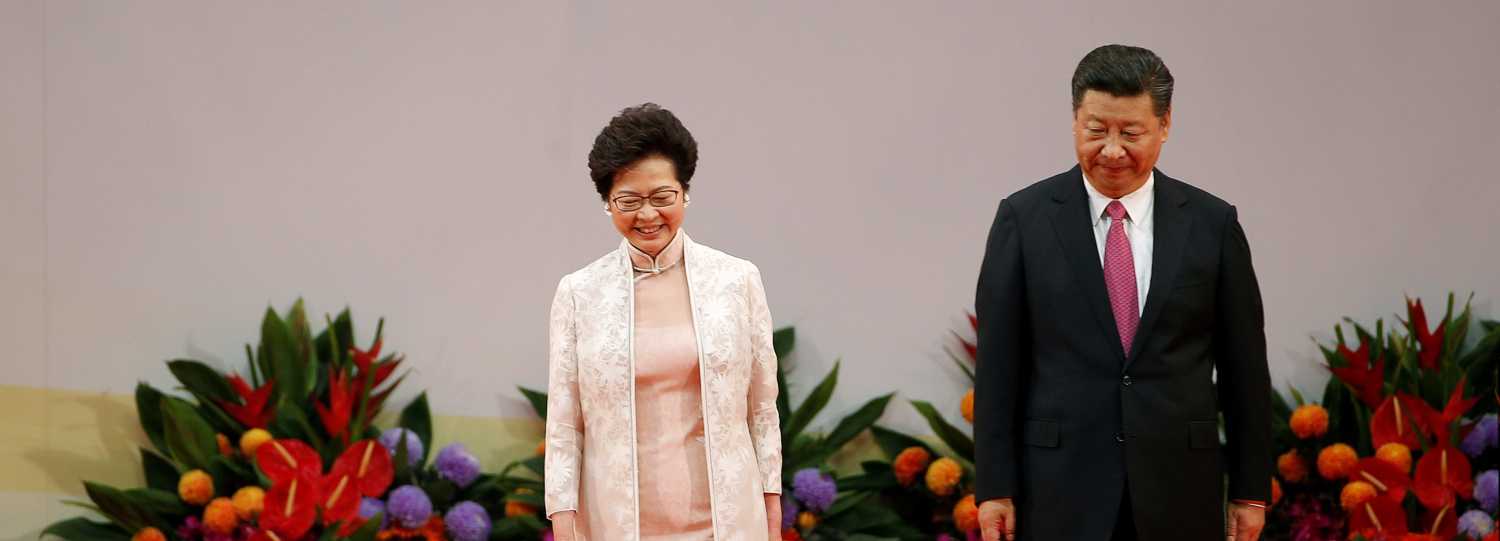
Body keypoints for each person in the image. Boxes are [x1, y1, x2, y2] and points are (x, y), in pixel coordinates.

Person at [972, 45, 1272, 541]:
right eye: (1096, 130)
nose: (1112, 150)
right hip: (1059, 488)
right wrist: (994, 487)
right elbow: (999, 366)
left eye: (1130, 133)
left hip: (1179, 486)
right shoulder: (1024, 220)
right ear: (1075, 120)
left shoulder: (1211, 224)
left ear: (1164, 124)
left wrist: (1249, 490)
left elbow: (1245, 368)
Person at [544, 103, 783, 541]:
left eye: (662, 197)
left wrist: (771, 503)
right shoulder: (580, 293)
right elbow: (564, 422)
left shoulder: (737, 280)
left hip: (725, 521)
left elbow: (762, 407)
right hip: (616, 522)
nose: (647, 215)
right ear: (607, 203)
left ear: (684, 192)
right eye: (629, 201)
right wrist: (563, 517)